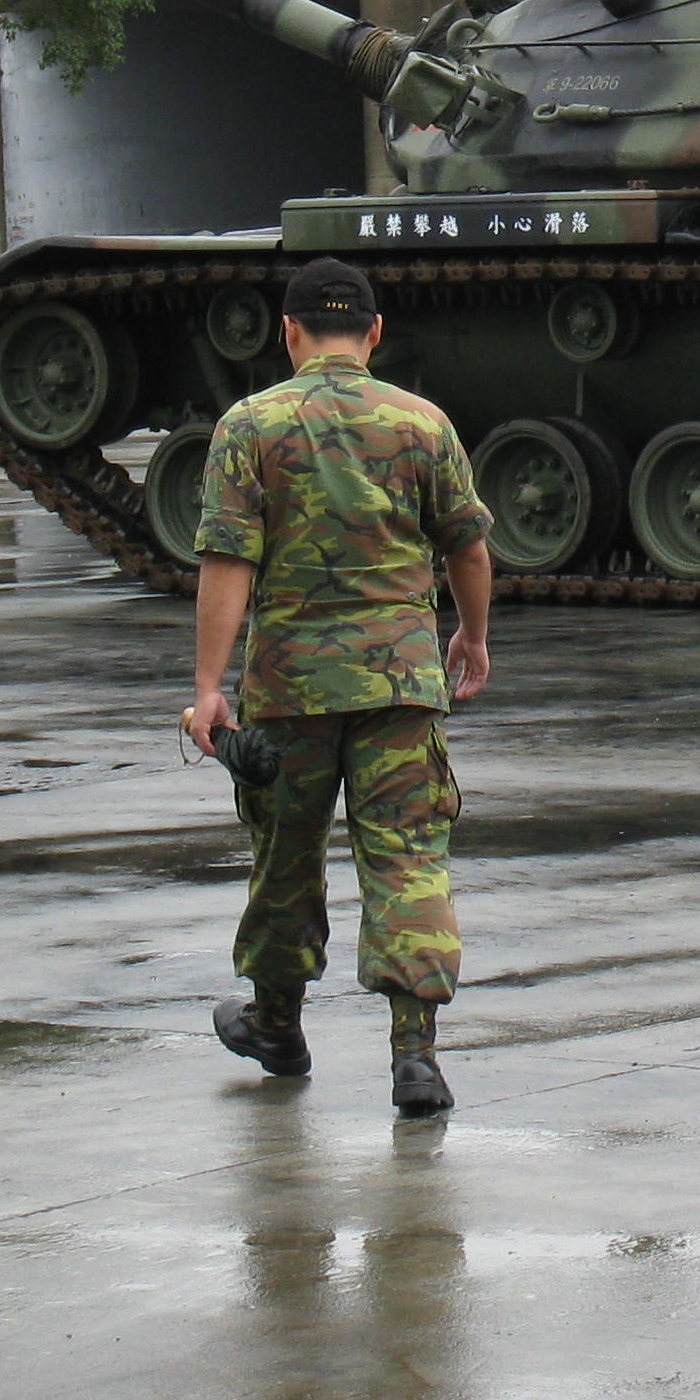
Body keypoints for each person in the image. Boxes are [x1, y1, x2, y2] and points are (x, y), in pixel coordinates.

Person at [182, 257, 492, 1115]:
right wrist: (471, 634)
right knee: (407, 859)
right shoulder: (422, 422)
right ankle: (414, 1057)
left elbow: (226, 560)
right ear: (374, 333)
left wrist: (211, 685)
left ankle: (277, 1025)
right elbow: (467, 545)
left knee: (286, 858)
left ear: (287, 333)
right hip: (399, 684)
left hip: (291, 690)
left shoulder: (250, 425)